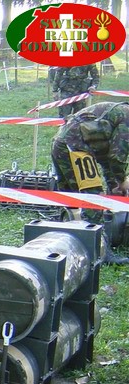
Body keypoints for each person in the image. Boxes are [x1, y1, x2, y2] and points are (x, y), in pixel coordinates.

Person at [50, 101, 129, 264]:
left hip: (62, 142)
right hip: (75, 147)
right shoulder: (126, 117)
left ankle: (65, 244)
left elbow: (106, 155)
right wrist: (122, 181)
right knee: (93, 200)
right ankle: (99, 253)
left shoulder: (118, 113)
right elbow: (116, 157)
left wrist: (114, 184)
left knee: (72, 200)